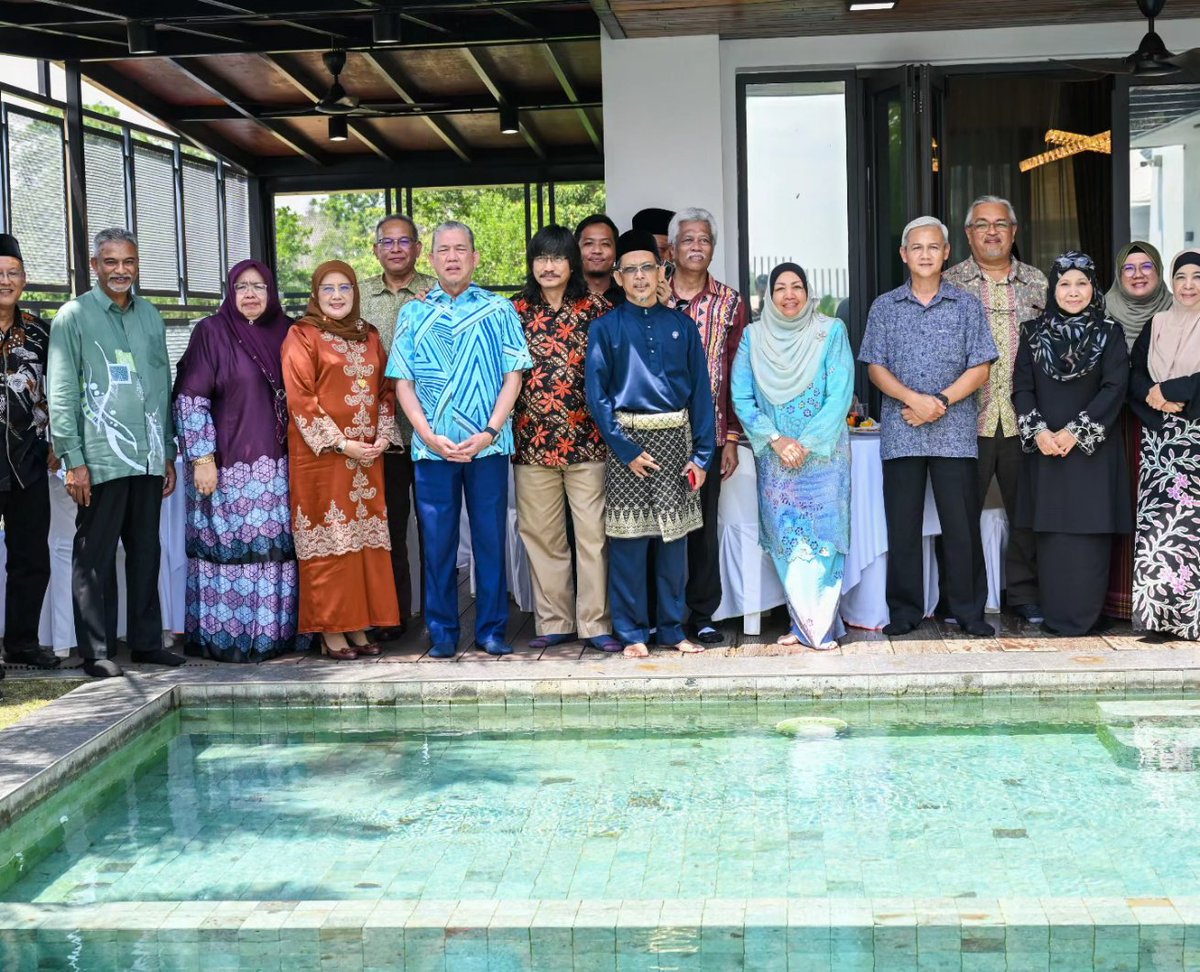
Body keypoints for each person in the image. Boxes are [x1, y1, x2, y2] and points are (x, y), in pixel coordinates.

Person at [387, 221, 531, 659]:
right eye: (444, 250)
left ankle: (491, 630)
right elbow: (403, 382)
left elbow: (515, 376)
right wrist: (427, 434)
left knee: (490, 539)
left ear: (475, 258)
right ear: (431, 260)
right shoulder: (413, 312)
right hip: (432, 449)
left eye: (460, 249)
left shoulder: (499, 309)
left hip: (487, 445)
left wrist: (489, 430)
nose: (452, 257)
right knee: (437, 543)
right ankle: (444, 632)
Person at [47, 228, 182, 677]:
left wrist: (166, 449)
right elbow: (61, 392)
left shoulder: (151, 317)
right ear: (94, 265)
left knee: (146, 551)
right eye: (111, 262)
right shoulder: (73, 316)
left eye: (128, 262)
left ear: (137, 264)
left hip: (146, 455)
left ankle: (146, 644)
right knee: (95, 555)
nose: (120, 270)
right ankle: (97, 652)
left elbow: (161, 388)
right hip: (100, 458)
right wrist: (73, 459)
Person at [858, 216, 998, 638]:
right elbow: (875, 367)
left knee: (960, 526)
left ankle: (968, 612)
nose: (924, 254)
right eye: (916, 247)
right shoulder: (885, 306)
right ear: (904, 255)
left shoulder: (967, 304)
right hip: (902, 430)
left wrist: (938, 402)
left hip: (954, 433)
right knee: (903, 527)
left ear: (946, 252)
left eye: (933, 247)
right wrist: (912, 400)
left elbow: (982, 367)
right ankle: (904, 611)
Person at [585, 229, 714, 658]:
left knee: (674, 545)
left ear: (661, 271)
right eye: (630, 270)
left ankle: (674, 630)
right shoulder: (605, 328)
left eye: (647, 268)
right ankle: (633, 633)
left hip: (677, 441)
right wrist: (625, 449)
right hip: (629, 444)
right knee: (629, 545)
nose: (640, 277)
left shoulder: (681, 325)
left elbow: (701, 393)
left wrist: (702, 455)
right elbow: (597, 395)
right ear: (618, 278)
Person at [172, 259, 304, 663]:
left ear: (272, 292)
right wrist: (201, 458)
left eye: (259, 287)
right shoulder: (211, 332)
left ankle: (275, 637)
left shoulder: (289, 332)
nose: (250, 295)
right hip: (226, 467)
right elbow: (191, 398)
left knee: (274, 551)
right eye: (242, 286)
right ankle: (227, 640)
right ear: (230, 291)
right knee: (229, 550)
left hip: (280, 468)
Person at [731, 262, 853, 650]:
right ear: (769, 296)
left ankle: (816, 626)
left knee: (824, 542)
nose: (789, 295)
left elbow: (839, 394)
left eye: (796, 286)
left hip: (824, 457)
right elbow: (742, 397)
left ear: (807, 291)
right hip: (776, 457)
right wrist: (777, 440)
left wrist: (808, 443)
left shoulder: (830, 332)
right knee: (788, 542)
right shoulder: (752, 337)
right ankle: (807, 623)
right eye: (780, 288)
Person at [281, 261, 399, 659]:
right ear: (315, 294)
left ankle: (360, 625)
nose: (336, 296)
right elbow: (302, 400)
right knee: (330, 542)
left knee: (365, 542)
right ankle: (331, 630)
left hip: (368, 457)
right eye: (328, 288)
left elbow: (386, 390)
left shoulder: (369, 335)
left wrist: (383, 436)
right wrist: (341, 443)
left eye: (344, 288)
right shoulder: (302, 335)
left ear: (355, 292)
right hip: (322, 459)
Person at [511, 226, 620, 653]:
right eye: (541, 258)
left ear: (571, 263)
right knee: (542, 535)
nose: (549, 266)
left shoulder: (597, 310)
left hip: (588, 441)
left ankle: (596, 623)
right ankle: (555, 620)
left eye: (557, 258)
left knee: (593, 536)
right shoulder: (513, 311)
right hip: (531, 441)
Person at [1013, 251, 1131, 637]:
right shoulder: (1032, 333)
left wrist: (1075, 433)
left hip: (1092, 454)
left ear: (1093, 287)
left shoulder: (1109, 332)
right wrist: (1041, 433)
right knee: (1053, 535)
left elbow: (1115, 388)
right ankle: (1057, 616)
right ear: (1053, 288)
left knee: (1089, 533)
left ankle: (1086, 617)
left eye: (1082, 283)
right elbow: (1022, 388)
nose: (1073, 291)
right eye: (1065, 283)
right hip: (1047, 450)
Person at [943, 195, 1047, 624]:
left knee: (1028, 511)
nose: (991, 232)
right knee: (960, 515)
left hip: (1027, 418)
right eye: (982, 224)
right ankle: (962, 600)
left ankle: (1023, 593)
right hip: (965, 418)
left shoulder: (1041, 283)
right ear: (968, 234)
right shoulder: (949, 283)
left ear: (1014, 231)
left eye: (1000, 224)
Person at [665, 207, 747, 643]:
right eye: (688, 239)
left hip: (709, 434)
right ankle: (663, 614)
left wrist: (731, 438)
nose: (696, 247)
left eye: (704, 240)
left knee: (702, 526)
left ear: (712, 248)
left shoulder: (730, 302)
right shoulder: (652, 295)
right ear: (673, 248)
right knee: (656, 526)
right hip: (654, 435)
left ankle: (702, 614)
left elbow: (737, 372)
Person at [360, 213, 438, 638]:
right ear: (376, 249)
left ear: (417, 248)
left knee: (433, 531)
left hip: (430, 431)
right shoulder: (356, 295)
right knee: (388, 529)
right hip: (380, 437)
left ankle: (437, 616)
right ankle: (394, 617)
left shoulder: (436, 292)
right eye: (386, 242)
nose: (394, 248)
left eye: (403, 241)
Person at [1129, 249, 1200, 641]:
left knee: (1193, 529)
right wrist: (1155, 398)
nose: (1188, 285)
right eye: (1182, 277)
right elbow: (1135, 374)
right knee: (1160, 530)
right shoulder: (1156, 324)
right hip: (1160, 443)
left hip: (1196, 440)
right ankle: (1160, 618)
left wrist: (1167, 390)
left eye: (1196, 276)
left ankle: (1193, 618)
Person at [1102, 241, 1174, 621]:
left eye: (1147, 266)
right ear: (1119, 275)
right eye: (1129, 268)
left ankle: (1163, 599)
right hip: (1113, 426)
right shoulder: (1101, 312)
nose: (1138, 275)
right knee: (1119, 505)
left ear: (1159, 272)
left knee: (1162, 513)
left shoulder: (1180, 312)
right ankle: (1117, 600)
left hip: (1163, 427)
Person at [0, 234, 57, 671]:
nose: (5, 280)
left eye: (12, 273)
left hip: (29, 461)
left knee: (31, 558)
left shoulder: (41, 331)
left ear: (24, 279)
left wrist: (57, 442)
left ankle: (22, 643)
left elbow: (60, 392)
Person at [574, 214, 623, 305]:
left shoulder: (628, 294)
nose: (597, 251)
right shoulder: (564, 294)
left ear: (616, 250)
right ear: (576, 249)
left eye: (605, 244)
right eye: (589, 243)